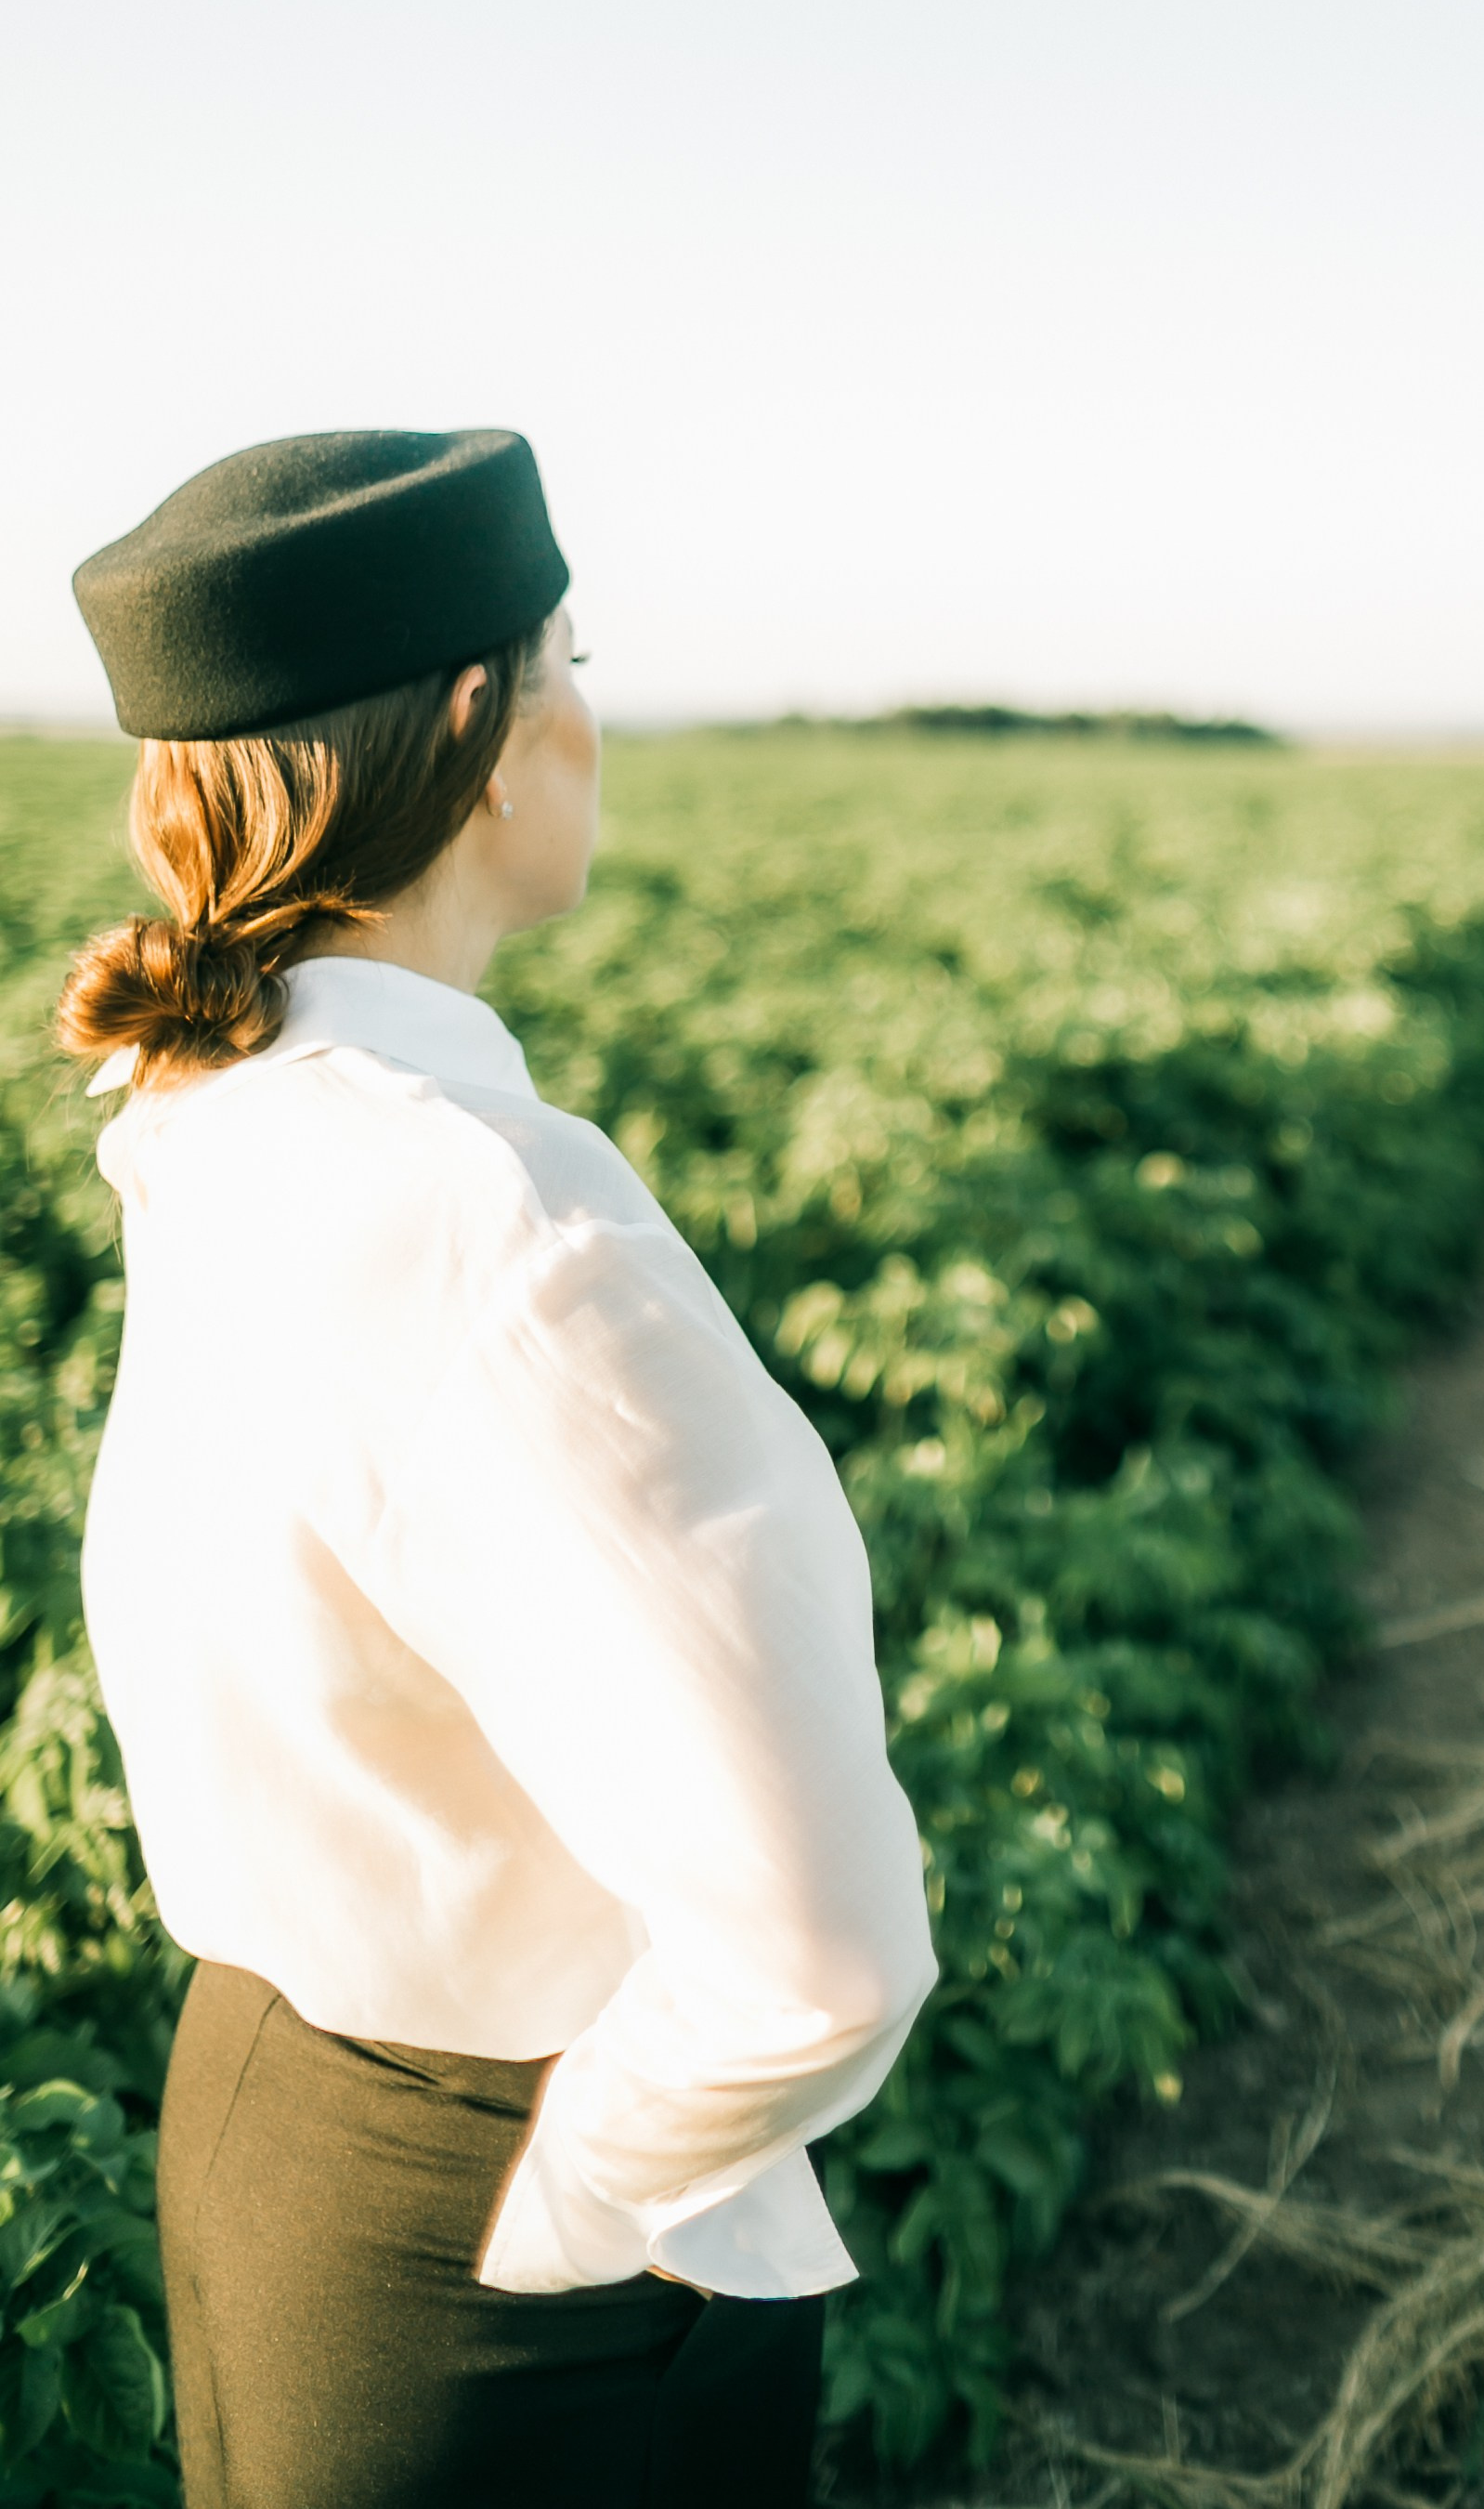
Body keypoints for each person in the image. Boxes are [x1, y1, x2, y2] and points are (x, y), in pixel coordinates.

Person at [59, 428, 938, 2509]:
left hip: (256, 2111)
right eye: (575, 653)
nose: (590, 713)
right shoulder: (504, 1223)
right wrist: (574, 2212)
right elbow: (821, 1951)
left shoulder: (216, 1107)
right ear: (483, 718)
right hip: (495, 2229)